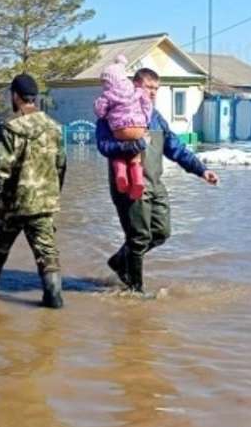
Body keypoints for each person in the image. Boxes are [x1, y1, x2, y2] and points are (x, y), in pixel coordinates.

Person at [96, 68, 220, 293]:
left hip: (154, 183)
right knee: (139, 237)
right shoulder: (112, 114)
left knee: (162, 232)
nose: (152, 93)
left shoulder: (155, 117)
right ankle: (136, 291)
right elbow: (104, 146)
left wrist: (202, 170)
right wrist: (133, 145)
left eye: (156, 89)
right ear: (135, 86)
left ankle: (119, 261)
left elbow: (176, 148)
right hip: (128, 187)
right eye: (148, 87)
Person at [0, 73, 67, 309]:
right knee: (47, 251)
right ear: (34, 97)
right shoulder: (54, 128)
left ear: (15, 96)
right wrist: (53, 195)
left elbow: (0, 167)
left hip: (12, 203)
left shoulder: (10, 127)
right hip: (43, 202)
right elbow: (61, 165)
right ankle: (53, 296)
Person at [93, 54, 152, 200]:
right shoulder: (135, 90)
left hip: (120, 129)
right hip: (139, 127)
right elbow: (147, 104)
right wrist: (146, 119)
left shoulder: (108, 94)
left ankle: (120, 173)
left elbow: (100, 111)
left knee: (118, 154)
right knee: (135, 157)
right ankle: (138, 180)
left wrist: (104, 113)